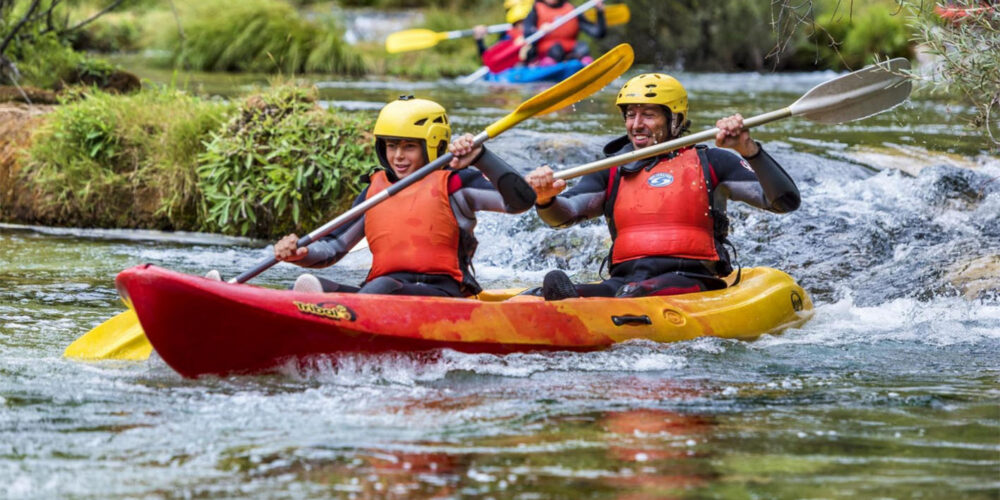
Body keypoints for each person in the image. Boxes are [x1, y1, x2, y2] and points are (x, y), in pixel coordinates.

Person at [525, 73, 801, 300]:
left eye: (648, 115)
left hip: (691, 279)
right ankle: (565, 307)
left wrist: (748, 149)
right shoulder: (612, 170)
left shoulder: (712, 162)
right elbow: (564, 214)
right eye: (631, 115)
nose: (636, 124)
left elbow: (783, 201)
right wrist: (545, 199)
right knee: (543, 293)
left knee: (634, 294)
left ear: (676, 120)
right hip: (625, 279)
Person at [273, 95, 536, 297]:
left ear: (432, 145)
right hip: (381, 292)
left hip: (443, 295)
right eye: (391, 146)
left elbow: (521, 201)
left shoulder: (457, 183)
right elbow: (333, 247)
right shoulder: (374, 192)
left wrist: (481, 158)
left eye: (409, 147)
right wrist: (301, 253)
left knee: (382, 288)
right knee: (311, 286)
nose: (398, 156)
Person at [521, 0, 607, 65]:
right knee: (556, 49)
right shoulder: (536, 9)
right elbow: (527, 35)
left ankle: (586, 65)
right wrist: (539, 30)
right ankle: (549, 66)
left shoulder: (572, 10)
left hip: (571, 54)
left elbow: (598, 33)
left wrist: (600, 12)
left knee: (582, 47)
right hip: (547, 54)